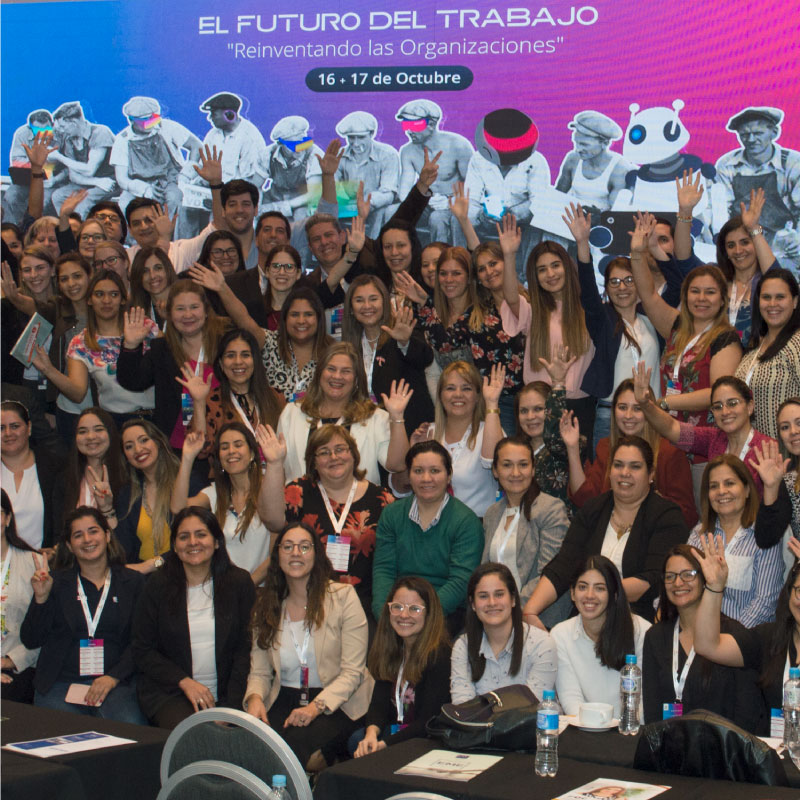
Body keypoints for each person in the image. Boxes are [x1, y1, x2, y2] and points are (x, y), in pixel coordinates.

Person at [244, 522, 373, 771]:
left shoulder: (343, 597)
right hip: (284, 695)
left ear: (316, 554)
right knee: (253, 745)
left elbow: (353, 673)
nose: (296, 553)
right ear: (277, 555)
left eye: (304, 547)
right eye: (288, 547)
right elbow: (259, 672)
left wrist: (315, 708)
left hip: (336, 700)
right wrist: (255, 698)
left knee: (292, 748)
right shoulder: (266, 605)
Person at [523, 435, 689, 624]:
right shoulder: (593, 509)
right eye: (618, 465)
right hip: (586, 617)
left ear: (651, 474)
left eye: (635, 467)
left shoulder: (667, 516)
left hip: (638, 620)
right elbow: (564, 565)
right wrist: (530, 610)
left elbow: (654, 580)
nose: (624, 473)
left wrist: (595, 593)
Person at [132, 506, 256, 728]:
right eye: (184, 537)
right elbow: (143, 649)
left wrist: (231, 707)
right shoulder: (157, 585)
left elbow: (245, 649)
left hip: (230, 692)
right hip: (172, 693)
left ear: (216, 542)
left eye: (201, 534)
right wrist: (184, 682)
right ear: (175, 546)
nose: (192, 542)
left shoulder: (239, 583)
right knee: (195, 732)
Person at [21, 507, 146, 723]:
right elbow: (31, 639)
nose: (87, 539)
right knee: (62, 733)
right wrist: (41, 598)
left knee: (130, 729)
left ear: (107, 536)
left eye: (93, 531)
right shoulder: (55, 583)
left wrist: (113, 677)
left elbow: (142, 641)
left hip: (116, 683)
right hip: (61, 684)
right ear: (69, 545)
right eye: (78, 535)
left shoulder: (132, 582)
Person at [260, 423, 393, 618]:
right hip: (306, 604)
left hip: (364, 607)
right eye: (324, 452)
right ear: (313, 462)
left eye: (340, 449)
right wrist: (274, 463)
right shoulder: (299, 491)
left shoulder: (381, 499)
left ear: (353, 454)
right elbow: (272, 521)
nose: (333, 457)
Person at [629, 213, 743, 431]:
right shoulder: (676, 326)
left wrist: (664, 403)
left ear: (722, 300)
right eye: (695, 291)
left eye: (710, 292)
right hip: (667, 430)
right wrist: (637, 252)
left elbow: (718, 392)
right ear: (686, 296)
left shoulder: (726, 339)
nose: (701, 298)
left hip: (705, 437)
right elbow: (648, 294)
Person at [562, 204, 660, 450]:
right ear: (606, 288)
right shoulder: (603, 319)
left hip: (652, 414)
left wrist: (643, 250)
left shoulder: (654, 318)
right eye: (614, 282)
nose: (622, 287)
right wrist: (582, 243)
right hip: (610, 414)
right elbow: (588, 294)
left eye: (629, 280)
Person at [642, 543, 764, 732]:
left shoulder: (733, 635)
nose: (678, 583)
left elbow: (746, 710)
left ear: (705, 578)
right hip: (670, 744)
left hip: (723, 746)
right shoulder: (655, 637)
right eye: (670, 576)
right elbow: (652, 709)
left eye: (688, 574)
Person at [498, 216, 597, 445]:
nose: (550, 274)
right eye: (542, 270)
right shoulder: (532, 311)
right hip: (537, 408)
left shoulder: (589, 310)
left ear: (567, 267)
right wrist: (509, 255)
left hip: (579, 407)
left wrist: (582, 242)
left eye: (555, 265)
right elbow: (511, 297)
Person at [694, 532, 800, 735]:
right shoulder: (770, 638)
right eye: (799, 591)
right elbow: (707, 645)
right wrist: (714, 587)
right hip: (776, 750)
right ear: (789, 593)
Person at [372, 441, 484, 633]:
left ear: (449, 475)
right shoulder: (392, 514)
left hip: (444, 612)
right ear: (409, 475)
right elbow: (384, 571)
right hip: (398, 609)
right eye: (418, 471)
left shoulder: (466, 521)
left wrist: (421, 615)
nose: (426, 478)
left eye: (435, 471)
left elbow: (460, 581)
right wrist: (384, 614)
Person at [33, 269, 159, 431]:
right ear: (90, 300)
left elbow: (172, 361)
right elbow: (78, 393)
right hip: (115, 422)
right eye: (99, 294)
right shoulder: (81, 343)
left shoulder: (144, 326)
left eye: (114, 294)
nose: (106, 300)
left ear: (123, 299)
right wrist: (48, 369)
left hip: (156, 418)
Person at [563, 379, 697, 526]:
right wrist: (572, 448)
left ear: (650, 411)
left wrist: (653, 503)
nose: (628, 415)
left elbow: (687, 516)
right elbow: (584, 498)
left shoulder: (670, 452)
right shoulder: (605, 447)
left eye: (637, 408)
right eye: (622, 407)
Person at [116, 279, 228, 454]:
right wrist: (131, 345)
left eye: (194, 307)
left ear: (206, 310)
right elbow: (132, 381)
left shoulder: (225, 344)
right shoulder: (162, 349)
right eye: (180, 309)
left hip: (224, 443)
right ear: (169, 314)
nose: (188, 315)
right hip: (176, 447)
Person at [276, 342, 411, 485]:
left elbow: (398, 465)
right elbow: (279, 469)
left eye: (346, 371)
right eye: (331, 369)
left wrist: (397, 417)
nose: (337, 376)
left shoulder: (375, 417)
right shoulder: (292, 413)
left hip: (359, 499)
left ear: (356, 379)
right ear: (320, 373)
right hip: (300, 498)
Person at [633, 368, 776, 497]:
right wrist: (645, 404)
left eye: (732, 403)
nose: (725, 412)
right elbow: (671, 428)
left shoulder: (768, 448)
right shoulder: (713, 439)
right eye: (718, 406)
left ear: (750, 407)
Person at [674, 175, 779, 346]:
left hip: (754, 360)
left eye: (745, 242)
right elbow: (684, 258)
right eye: (731, 245)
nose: (738, 250)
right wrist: (685, 212)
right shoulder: (715, 276)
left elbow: (777, 275)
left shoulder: (768, 281)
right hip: (713, 358)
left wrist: (753, 228)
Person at [353, 576, 451, 756]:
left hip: (426, 740)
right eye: (397, 607)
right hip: (396, 734)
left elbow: (428, 721)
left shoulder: (440, 656)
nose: (404, 615)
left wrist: (385, 744)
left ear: (430, 613)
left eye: (414, 609)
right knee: (358, 740)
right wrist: (371, 735)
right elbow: (379, 705)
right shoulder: (393, 649)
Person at [1, 252, 94, 437]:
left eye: (77, 276)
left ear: (90, 275)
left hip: (100, 398)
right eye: (65, 279)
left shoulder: (101, 308)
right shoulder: (56, 307)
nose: (71, 284)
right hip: (64, 401)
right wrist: (15, 298)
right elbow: (34, 307)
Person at [482, 436, 570, 626]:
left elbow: (548, 572)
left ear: (533, 469)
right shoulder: (492, 514)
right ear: (495, 471)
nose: (516, 473)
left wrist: (509, 607)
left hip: (539, 617)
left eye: (523, 465)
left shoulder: (551, 509)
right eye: (507, 465)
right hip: (496, 613)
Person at [687, 455, 783, 627]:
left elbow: (766, 602)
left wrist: (730, 639)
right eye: (713, 486)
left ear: (747, 490)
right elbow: (683, 585)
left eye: (729, 483)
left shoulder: (765, 535)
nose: (721, 491)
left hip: (747, 636)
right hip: (699, 633)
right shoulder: (698, 534)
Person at [550, 556, 651, 717]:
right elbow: (570, 698)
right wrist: (594, 726)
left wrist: (621, 728)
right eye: (582, 587)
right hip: (584, 727)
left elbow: (645, 700)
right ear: (572, 593)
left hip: (630, 728)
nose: (590, 595)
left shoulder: (641, 631)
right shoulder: (560, 634)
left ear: (615, 594)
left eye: (600, 588)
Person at [171, 426, 272, 584]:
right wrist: (187, 458)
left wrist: (247, 587)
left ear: (252, 453)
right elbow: (178, 508)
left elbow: (276, 552)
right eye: (224, 447)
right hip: (223, 588)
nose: (231, 451)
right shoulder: (214, 493)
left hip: (262, 589)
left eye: (238, 445)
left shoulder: (268, 491)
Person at [341, 274, 434, 437]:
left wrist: (404, 342)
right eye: (359, 300)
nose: (367, 306)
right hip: (365, 431)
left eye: (373, 299)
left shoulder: (401, 330)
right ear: (350, 308)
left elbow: (425, 357)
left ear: (385, 302)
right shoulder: (348, 346)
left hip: (409, 429)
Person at [450, 562, 557, 703]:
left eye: (499, 594)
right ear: (473, 604)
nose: (492, 602)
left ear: (513, 599)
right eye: (483, 596)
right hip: (476, 719)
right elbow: (462, 705)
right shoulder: (463, 646)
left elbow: (533, 706)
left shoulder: (541, 644)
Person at [416, 360, 505, 518]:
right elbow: (408, 486)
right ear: (440, 395)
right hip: (434, 525)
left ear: (477, 396)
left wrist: (491, 403)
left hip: (479, 524)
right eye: (450, 388)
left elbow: (494, 462)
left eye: (466, 388)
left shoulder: (490, 429)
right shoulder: (427, 433)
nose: (458, 394)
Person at [735, 267, 800, 440]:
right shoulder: (755, 347)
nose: (772, 304)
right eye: (766, 297)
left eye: (780, 297)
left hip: (787, 451)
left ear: (794, 301)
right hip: (753, 451)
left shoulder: (797, 343)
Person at [199, 328, 284, 458]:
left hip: (273, 469)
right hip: (228, 470)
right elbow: (201, 451)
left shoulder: (276, 397)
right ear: (221, 363)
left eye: (245, 355)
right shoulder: (211, 401)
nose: (238, 361)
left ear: (255, 360)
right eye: (230, 355)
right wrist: (198, 402)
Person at [115, 419, 179, 571]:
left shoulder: (186, 481)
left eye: (143, 440)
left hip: (183, 573)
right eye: (129, 446)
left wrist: (152, 564)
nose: (138, 449)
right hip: (142, 579)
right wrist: (106, 509)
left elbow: (195, 538)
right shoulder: (127, 494)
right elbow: (122, 551)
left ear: (158, 442)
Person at [51, 407, 128, 531]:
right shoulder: (64, 479)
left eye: (98, 429)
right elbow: (59, 532)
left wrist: (108, 510)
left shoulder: (129, 476)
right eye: (82, 431)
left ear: (111, 433)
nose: (91, 436)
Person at [0, 400, 64, 549]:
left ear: (29, 428)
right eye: (1, 428)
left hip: (43, 559)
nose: (8, 433)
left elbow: (63, 521)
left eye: (15, 426)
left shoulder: (54, 468)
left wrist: (55, 551)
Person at [1, 490, 40, 703]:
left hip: (19, 664)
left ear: (8, 518)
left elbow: (45, 626)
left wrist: (10, 661)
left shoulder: (34, 562)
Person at [129, 246, 177, 329]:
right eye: (145, 271)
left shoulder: (186, 300)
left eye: (158, 268)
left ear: (168, 269)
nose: (152, 276)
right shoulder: (136, 311)